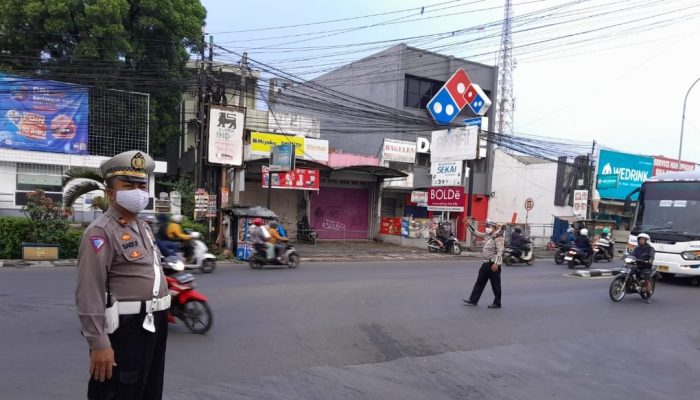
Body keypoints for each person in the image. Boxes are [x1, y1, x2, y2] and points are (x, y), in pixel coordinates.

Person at [75, 150, 170, 400]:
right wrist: (99, 343)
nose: (137, 191)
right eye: (128, 186)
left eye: (141, 185)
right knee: (119, 392)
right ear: (111, 193)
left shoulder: (144, 227)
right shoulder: (101, 232)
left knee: (148, 390)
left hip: (154, 323)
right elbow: (89, 291)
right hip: (125, 330)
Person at [464, 220, 505, 309]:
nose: (488, 228)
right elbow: (476, 233)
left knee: (495, 285)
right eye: (487, 226)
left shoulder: (498, 237)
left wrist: (497, 263)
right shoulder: (487, 236)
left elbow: (500, 251)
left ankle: (497, 303)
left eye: (489, 226)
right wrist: (469, 225)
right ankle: (473, 300)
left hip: (493, 264)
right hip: (485, 264)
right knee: (479, 282)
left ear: (494, 228)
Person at [632, 233, 655, 303]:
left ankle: (648, 296)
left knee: (646, 280)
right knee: (629, 271)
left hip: (646, 266)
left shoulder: (650, 248)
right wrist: (625, 256)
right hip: (637, 265)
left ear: (646, 240)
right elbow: (631, 254)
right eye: (640, 239)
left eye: (643, 239)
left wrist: (650, 260)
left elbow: (652, 256)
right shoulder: (637, 248)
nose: (641, 241)